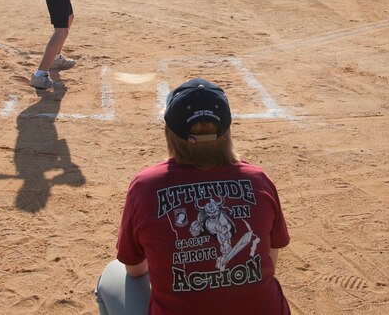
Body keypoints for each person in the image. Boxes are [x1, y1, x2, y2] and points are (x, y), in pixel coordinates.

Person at [95, 78, 291, 315]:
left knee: (111, 274)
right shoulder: (259, 180)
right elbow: (270, 257)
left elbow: (134, 268)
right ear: (227, 131)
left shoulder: (145, 186)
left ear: (170, 133)